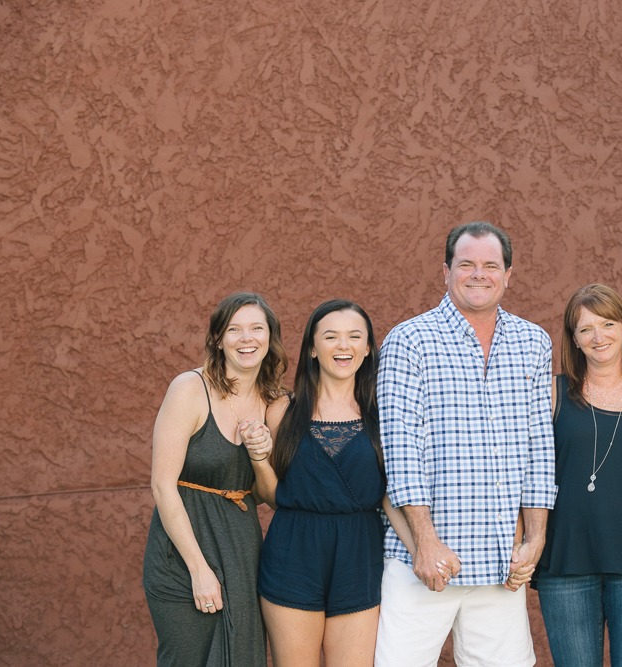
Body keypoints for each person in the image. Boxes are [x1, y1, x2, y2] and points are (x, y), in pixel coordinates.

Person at [375, 221, 558, 667]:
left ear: (508, 274)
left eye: (491, 265)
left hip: (501, 563)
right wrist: (425, 542)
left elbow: (539, 447)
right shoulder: (409, 340)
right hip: (428, 559)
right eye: (467, 264)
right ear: (446, 271)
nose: (479, 274)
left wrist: (535, 538)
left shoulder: (533, 342)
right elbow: (400, 451)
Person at [531, 284, 622, 667]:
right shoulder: (553, 393)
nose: (599, 337)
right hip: (566, 558)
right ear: (574, 340)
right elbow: (531, 469)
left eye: (608, 323)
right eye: (585, 329)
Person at [143, 292, 287, 666]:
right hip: (182, 553)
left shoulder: (273, 401)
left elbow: (268, 497)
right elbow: (163, 484)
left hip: (241, 549)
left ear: (270, 338)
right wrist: (199, 569)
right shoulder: (189, 389)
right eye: (234, 329)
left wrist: (259, 457)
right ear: (218, 339)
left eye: (257, 328)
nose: (246, 338)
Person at [255, 299, 399, 667]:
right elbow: (272, 497)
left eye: (355, 336)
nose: (343, 346)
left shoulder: (384, 413)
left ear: (368, 349)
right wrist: (257, 458)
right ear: (312, 349)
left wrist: (422, 548)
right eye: (331, 336)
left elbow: (391, 497)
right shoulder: (281, 411)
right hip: (293, 552)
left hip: (359, 555)